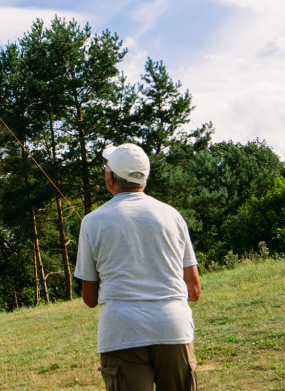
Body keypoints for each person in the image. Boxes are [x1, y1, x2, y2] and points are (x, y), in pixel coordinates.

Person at [74, 143, 202, 391]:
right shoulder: (173, 215)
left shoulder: (92, 222)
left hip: (121, 333)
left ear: (110, 178)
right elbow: (194, 291)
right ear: (144, 178)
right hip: (173, 328)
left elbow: (89, 298)